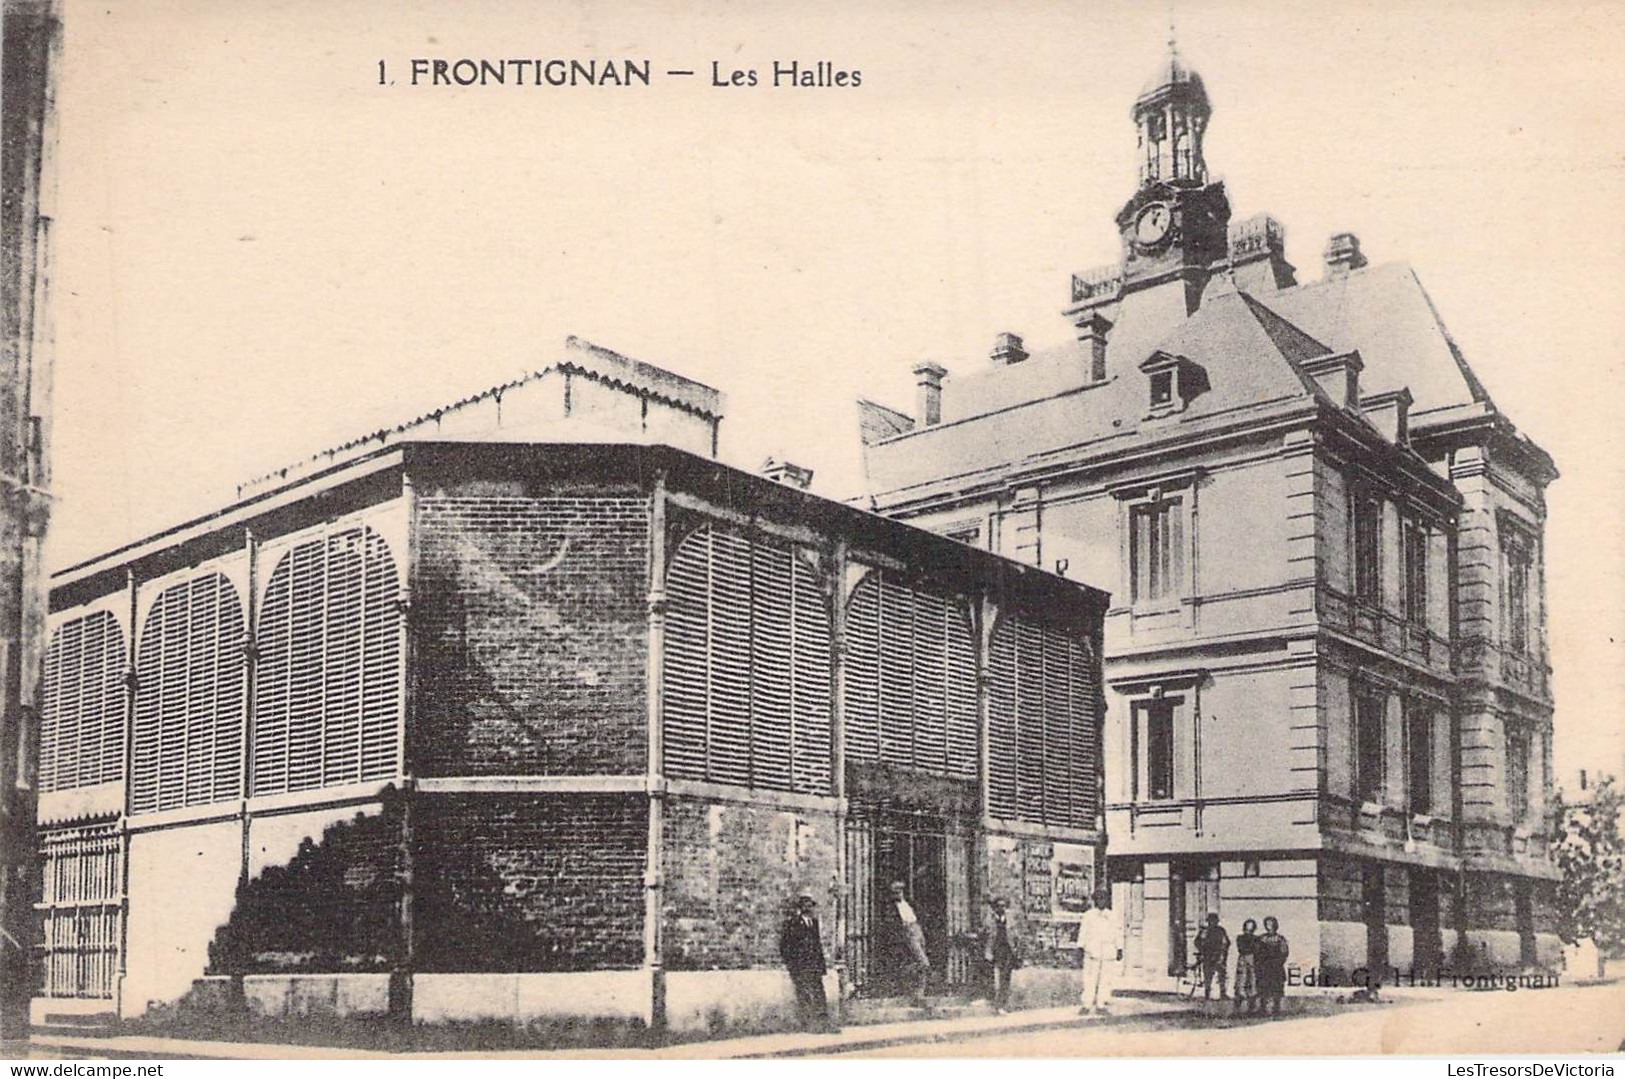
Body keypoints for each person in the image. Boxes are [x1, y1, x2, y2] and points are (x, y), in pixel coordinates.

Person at [778, 892, 837, 1032]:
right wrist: (792, 965)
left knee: (819, 993)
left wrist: (821, 965)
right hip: (801, 966)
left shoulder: (814, 923)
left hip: (814, 965)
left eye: (810, 904)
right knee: (804, 994)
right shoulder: (793, 923)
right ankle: (809, 1024)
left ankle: (824, 1023)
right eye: (805, 904)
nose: (808, 907)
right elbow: (785, 945)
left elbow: (817, 945)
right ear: (800, 907)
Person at [884, 880, 930, 1002]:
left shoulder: (910, 903)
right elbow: (891, 925)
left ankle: (919, 993)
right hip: (908, 932)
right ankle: (904, 977)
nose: (897, 894)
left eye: (899, 891)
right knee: (924, 963)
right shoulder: (891, 908)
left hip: (917, 930)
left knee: (922, 962)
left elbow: (921, 914)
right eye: (894, 892)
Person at [1075, 891, 1120, 1015]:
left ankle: (1101, 1005)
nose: (1101, 901)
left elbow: (1117, 933)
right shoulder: (1088, 916)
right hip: (1092, 952)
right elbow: (1083, 932)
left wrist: (1119, 948)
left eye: (1104, 899)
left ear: (1107, 901)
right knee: (1090, 979)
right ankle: (1086, 1005)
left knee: (1105, 980)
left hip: (1108, 951)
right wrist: (1080, 947)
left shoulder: (1112, 916)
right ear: (1095, 901)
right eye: (1099, 899)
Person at [980, 897, 1022, 1014]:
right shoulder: (990, 919)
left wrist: (1016, 948)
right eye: (999, 906)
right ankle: (994, 1003)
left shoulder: (1009, 919)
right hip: (995, 951)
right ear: (995, 908)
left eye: (1003, 906)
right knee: (994, 978)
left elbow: (1015, 935)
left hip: (1007, 950)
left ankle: (1002, 1004)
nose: (1001, 908)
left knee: (1005, 977)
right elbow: (985, 933)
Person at [1256, 915, 1290, 1016]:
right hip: (1264, 966)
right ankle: (1263, 1008)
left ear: (1275, 925)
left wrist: (1279, 962)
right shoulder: (1262, 938)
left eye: (1271, 924)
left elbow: (1284, 952)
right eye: (1267, 924)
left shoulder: (1280, 939)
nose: (1269, 926)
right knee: (1263, 987)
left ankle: (1276, 1008)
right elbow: (1257, 951)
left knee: (1277, 986)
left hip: (1276, 966)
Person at [1194, 912, 1231, 1001]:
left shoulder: (1221, 930)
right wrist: (1202, 951)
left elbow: (1227, 942)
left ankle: (1223, 993)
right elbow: (1197, 942)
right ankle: (1207, 994)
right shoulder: (1204, 931)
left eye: (1214, 921)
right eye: (1211, 921)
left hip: (1219, 956)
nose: (1213, 922)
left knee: (1221, 975)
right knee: (1208, 975)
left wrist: (1223, 952)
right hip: (1208, 956)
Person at [1233, 918, 1260, 1015]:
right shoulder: (1240, 937)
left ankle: (1251, 1006)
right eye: (1247, 927)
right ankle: (1238, 1007)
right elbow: (1241, 948)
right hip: (1243, 959)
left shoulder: (1256, 938)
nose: (1249, 929)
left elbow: (1256, 949)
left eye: (1251, 927)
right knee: (1241, 981)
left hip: (1252, 959)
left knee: (1252, 981)